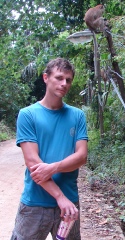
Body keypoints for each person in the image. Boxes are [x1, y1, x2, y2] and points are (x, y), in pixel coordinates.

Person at [11, 58, 88, 240]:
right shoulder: (28, 114)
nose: (64, 84)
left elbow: (81, 156)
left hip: (69, 205)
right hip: (35, 204)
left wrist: (52, 167)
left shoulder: (77, 115)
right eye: (59, 78)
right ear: (46, 78)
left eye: (68, 80)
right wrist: (60, 197)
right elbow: (33, 164)